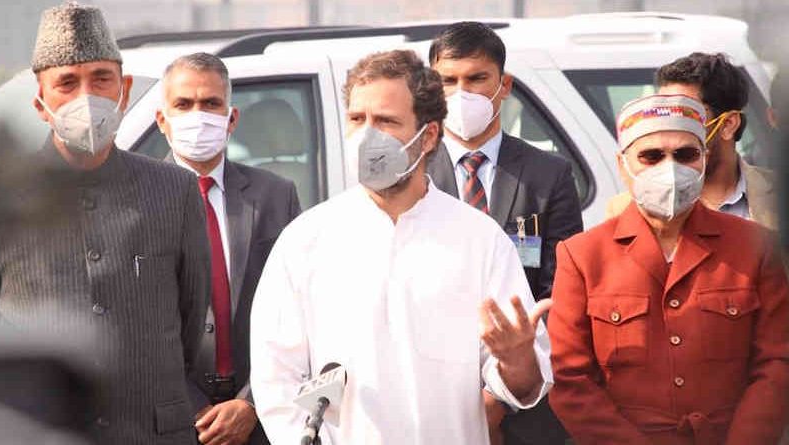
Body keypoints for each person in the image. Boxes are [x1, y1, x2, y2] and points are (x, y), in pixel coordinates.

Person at [249, 49, 553, 445]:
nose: (367, 135)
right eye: (358, 119)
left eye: (386, 121)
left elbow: (526, 385)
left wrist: (517, 361)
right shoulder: (306, 239)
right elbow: (277, 378)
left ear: (428, 136)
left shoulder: (479, 238)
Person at [0, 3, 209, 444]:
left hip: (154, 432)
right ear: (40, 102)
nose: (85, 97)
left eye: (100, 79)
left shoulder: (176, 190)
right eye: (67, 83)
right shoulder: (2, 196)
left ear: (123, 90)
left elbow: (190, 317)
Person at [548, 94, 789, 444]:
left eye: (686, 155)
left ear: (705, 160)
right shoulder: (583, 255)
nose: (670, 169)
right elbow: (571, 379)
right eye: (652, 156)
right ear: (623, 164)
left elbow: (777, 362)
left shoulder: (755, 246)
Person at [427, 21, 580, 445]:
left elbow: (560, 293)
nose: (463, 93)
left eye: (477, 78)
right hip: (433, 400)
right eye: (448, 81)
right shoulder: (412, 176)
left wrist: (503, 391)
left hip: (526, 405)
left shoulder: (548, 175)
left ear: (504, 84)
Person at [156, 52, 301, 445]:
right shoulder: (139, 202)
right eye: (183, 104)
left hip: (261, 420)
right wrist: (193, 407)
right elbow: (135, 324)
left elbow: (299, 313)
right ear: (162, 120)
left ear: (231, 118)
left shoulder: (276, 196)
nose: (197, 115)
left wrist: (251, 404)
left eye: (211, 104)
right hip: (174, 422)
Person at [606, 52, 777, 230]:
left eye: (686, 116)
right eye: (664, 115)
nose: (671, 130)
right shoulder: (623, 208)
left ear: (727, 125)